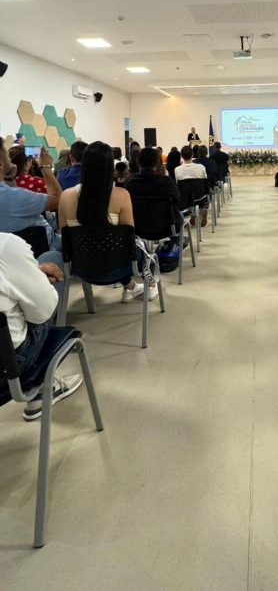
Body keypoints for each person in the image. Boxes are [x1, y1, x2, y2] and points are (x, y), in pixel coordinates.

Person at [0, 232, 82, 421]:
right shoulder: (6, 245)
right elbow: (43, 312)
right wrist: (35, 278)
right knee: (52, 259)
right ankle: (40, 392)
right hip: (9, 366)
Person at [58, 141, 147, 303]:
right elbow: (130, 235)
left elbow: (63, 234)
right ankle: (149, 284)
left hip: (80, 268)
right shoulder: (121, 195)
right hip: (118, 267)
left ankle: (131, 286)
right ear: (110, 168)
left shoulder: (65, 197)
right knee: (140, 246)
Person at [0, 139, 62, 251]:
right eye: (8, 158)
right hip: (46, 247)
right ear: (1, 164)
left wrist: (9, 179)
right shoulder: (16, 196)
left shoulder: (10, 194)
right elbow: (59, 200)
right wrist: (45, 166)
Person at [175, 145, 208, 226]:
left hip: (184, 199)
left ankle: (193, 214)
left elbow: (177, 183)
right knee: (199, 199)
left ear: (181, 156)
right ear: (193, 154)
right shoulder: (201, 167)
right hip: (200, 196)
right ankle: (202, 209)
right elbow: (205, 180)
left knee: (189, 197)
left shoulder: (177, 169)